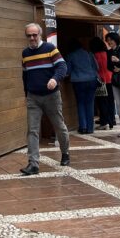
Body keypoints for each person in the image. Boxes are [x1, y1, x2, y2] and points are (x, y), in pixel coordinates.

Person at [20, 22, 70, 175]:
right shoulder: (25, 54)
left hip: (51, 96)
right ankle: (33, 164)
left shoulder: (50, 49)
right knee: (32, 130)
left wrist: (55, 79)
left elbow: (62, 67)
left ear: (40, 34)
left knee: (59, 125)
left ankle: (65, 153)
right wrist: (26, 94)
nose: (32, 38)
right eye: (29, 36)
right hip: (33, 97)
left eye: (35, 35)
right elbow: (25, 75)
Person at [65, 38, 98, 134]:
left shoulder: (71, 55)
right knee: (90, 103)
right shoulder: (89, 54)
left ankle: (83, 127)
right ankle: (90, 128)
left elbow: (68, 71)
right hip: (92, 80)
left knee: (81, 103)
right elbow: (96, 67)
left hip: (78, 81)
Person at [90, 36, 115, 130]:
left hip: (101, 81)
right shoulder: (107, 53)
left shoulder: (94, 55)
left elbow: (95, 68)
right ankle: (112, 120)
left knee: (102, 102)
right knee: (110, 100)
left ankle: (104, 122)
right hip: (110, 79)